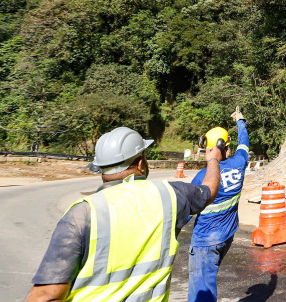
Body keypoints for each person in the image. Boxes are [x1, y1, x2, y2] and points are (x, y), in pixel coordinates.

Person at [26, 126, 223, 302]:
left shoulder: (83, 213)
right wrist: (213, 159)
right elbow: (209, 190)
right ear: (140, 163)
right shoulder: (171, 195)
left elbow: (47, 295)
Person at [186, 106, 250, 302]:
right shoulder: (239, 163)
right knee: (209, 279)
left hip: (205, 241)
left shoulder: (201, 178)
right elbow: (244, 143)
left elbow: (185, 212)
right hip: (226, 235)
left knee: (201, 292)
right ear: (226, 148)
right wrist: (240, 121)